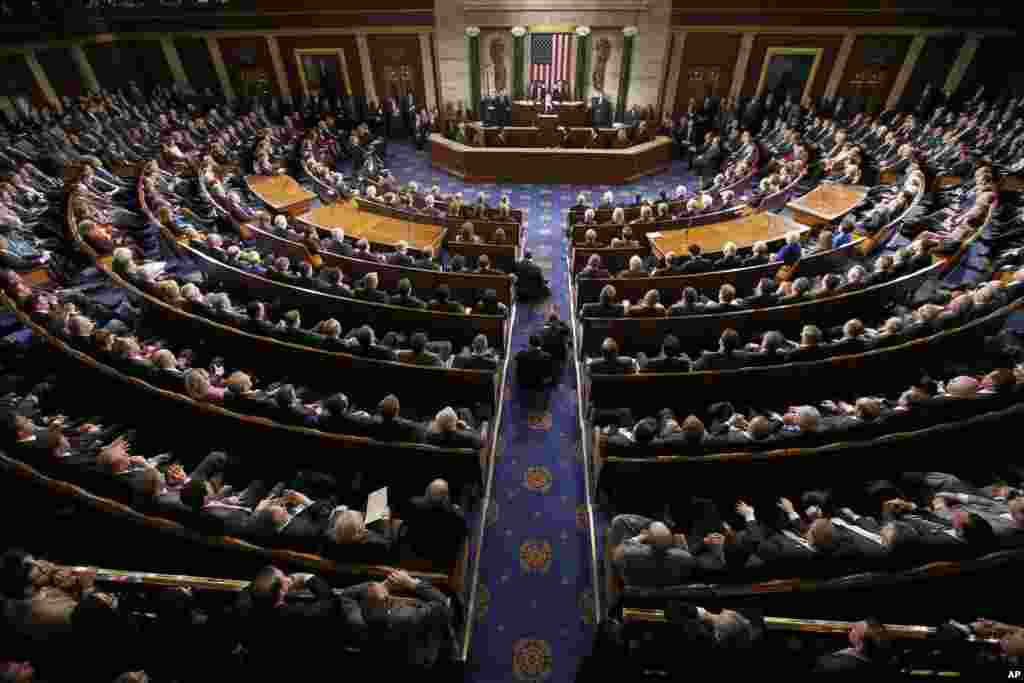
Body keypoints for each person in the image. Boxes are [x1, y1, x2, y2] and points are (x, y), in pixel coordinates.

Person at [340, 569, 453, 670]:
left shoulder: (362, 622)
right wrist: (411, 583)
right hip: (433, 650)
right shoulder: (407, 619)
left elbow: (347, 595)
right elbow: (443, 603)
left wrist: (381, 585)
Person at [813, 618, 893, 673]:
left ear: (859, 642)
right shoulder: (886, 666)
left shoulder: (827, 663)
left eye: (854, 628)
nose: (851, 629)